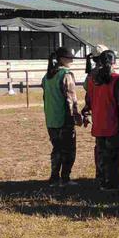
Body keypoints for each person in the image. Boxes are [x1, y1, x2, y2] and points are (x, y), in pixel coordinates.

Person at [82, 46, 119, 189]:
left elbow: (88, 101)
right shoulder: (116, 79)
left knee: (101, 154)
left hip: (99, 123)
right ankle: (112, 183)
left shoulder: (93, 80)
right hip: (113, 123)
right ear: (114, 62)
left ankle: (101, 181)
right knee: (113, 156)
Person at [41, 46, 81, 186]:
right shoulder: (66, 75)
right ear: (62, 59)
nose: (71, 60)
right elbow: (71, 99)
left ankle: (54, 178)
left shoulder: (47, 76)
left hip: (51, 118)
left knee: (56, 148)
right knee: (69, 150)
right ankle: (65, 178)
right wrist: (77, 116)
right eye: (69, 57)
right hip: (64, 118)